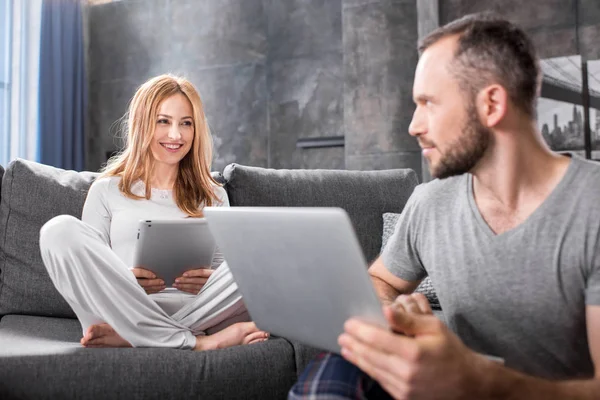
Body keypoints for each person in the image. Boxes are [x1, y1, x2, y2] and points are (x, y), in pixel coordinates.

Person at [289, 13, 600, 399]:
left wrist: (475, 379)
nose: (414, 125)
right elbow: (382, 280)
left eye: (428, 103)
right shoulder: (430, 201)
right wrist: (394, 314)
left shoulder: (592, 207)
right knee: (349, 353)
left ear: (491, 104)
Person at [39, 74, 269, 351]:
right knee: (58, 230)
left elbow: (225, 272)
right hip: (124, 309)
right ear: (142, 124)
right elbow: (93, 270)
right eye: (163, 121)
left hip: (199, 308)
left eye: (186, 123)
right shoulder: (106, 190)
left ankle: (138, 337)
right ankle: (197, 342)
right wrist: (125, 279)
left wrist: (208, 279)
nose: (176, 135)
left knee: (265, 251)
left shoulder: (213, 193)